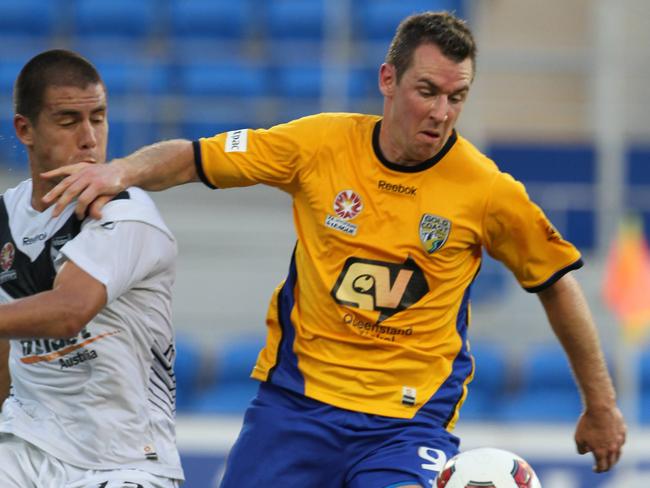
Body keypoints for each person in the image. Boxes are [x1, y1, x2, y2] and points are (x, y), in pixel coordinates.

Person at [43, 12, 626, 487]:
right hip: (295, 407)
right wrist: (118, 172)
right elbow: (194, 157)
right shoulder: (318, 144)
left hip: (406, 425)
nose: (441, 113)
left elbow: (556, 281)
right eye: (428, 91)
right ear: (388, 80)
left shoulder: (489, 190)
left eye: (457, 97)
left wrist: (599, 404)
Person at [0, 49, 184, 487]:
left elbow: (69, 311)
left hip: (124, 461)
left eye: (98, 118)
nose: (88, 138)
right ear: (24, 129)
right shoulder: (5, 217)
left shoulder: (127, 214)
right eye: (68, 121)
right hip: (26, 447)